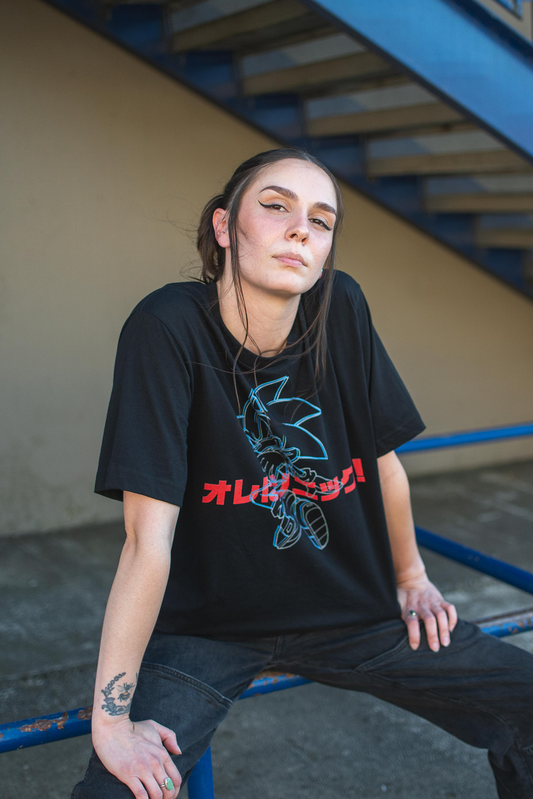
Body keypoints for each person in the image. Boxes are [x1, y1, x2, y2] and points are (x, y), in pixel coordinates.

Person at [72, 148, 533, 799]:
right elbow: (147, 538)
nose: (299, 229)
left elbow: (382, 462)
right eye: (275, 205)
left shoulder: (339, 307)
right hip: (208, 627)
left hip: (353, 610)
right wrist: (111, 720)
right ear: (225, 226)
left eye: (321, 221)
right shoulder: (166, 326)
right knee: (120, 788)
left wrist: (410, 576)